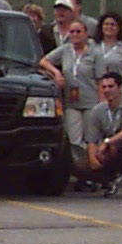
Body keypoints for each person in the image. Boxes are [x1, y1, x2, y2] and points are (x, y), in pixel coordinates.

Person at [73, 72, 122, 201]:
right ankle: (109, 182)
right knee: (78, 164)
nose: (107, 90)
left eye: (111, 86)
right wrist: (92, 158)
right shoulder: (98, 110)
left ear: (120, 88)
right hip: (109, 152)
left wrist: (108, 141)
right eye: (104, 87)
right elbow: (91, 139)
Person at [39, 21, 105, 162]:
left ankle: (92, 168)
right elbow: (44, 61)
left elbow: (101, 81)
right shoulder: (65, 50)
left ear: (85, 33)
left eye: (78, 31)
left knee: (91, 138)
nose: (75, 35)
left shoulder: (95, 53)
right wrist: (56, 73)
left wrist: (102, 104)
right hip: (71, 102)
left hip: (91, 102)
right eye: (72, 32)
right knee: (73, 138)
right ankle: (78, 167)